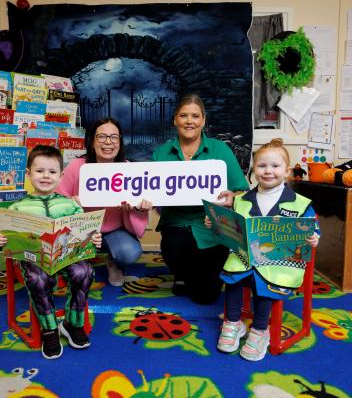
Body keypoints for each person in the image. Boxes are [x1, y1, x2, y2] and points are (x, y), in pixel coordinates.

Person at [208, 138, 320, 361]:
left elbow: (312, 227)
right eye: (262, 166)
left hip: (280, 263)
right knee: (232, 276)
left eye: (275, 166)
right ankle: (233, 323)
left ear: (287, 171)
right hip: (245, 258)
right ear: (253, 171)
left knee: (265, 279)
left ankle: (260, 330)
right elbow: (233, 229)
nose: (268, 171)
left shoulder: (299, 203)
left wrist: (314, 237)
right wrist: (216, 224)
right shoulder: (242, 200)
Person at [0, 145, 102, 360]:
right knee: (37, 278)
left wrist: (94, 237)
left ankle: (72, 324)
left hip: (66, 257)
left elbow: (85, 231)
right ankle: (50, 329)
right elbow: (8, 240)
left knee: (85, 272)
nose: (46, 176)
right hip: (34, 261)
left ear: (61, 176)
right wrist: (1, 241)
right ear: (28, 174)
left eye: (52, 172)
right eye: (39, 171)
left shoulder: (70, 204)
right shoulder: (17, 207)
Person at [152, 94, 249, 304]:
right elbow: (150, 192)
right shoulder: (161, 154)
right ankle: (182, 273)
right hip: (176, 226)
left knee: (205, 296)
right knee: (176, 247)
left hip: (212, 227)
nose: (190, 121)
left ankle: (195, 277)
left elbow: (242, 191)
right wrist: (142, 202)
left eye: (195, 116)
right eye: (184, 115)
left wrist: (232, 197)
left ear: (203, 120)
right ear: (175, 120)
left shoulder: (220, 150)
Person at [56, 117, 153, 287]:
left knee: (128, 252)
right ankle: (81, 262)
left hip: (114, 230)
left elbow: (137, 204)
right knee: (70, 268)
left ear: (120, 142)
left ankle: (113, 262)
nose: (108, 142)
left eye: (114, 137)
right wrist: (71, 203)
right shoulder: (77, 166)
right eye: (102, 137)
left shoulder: (127, 168)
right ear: (92, 141)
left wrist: (137, 209)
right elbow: (58, 202)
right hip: (81, 229)